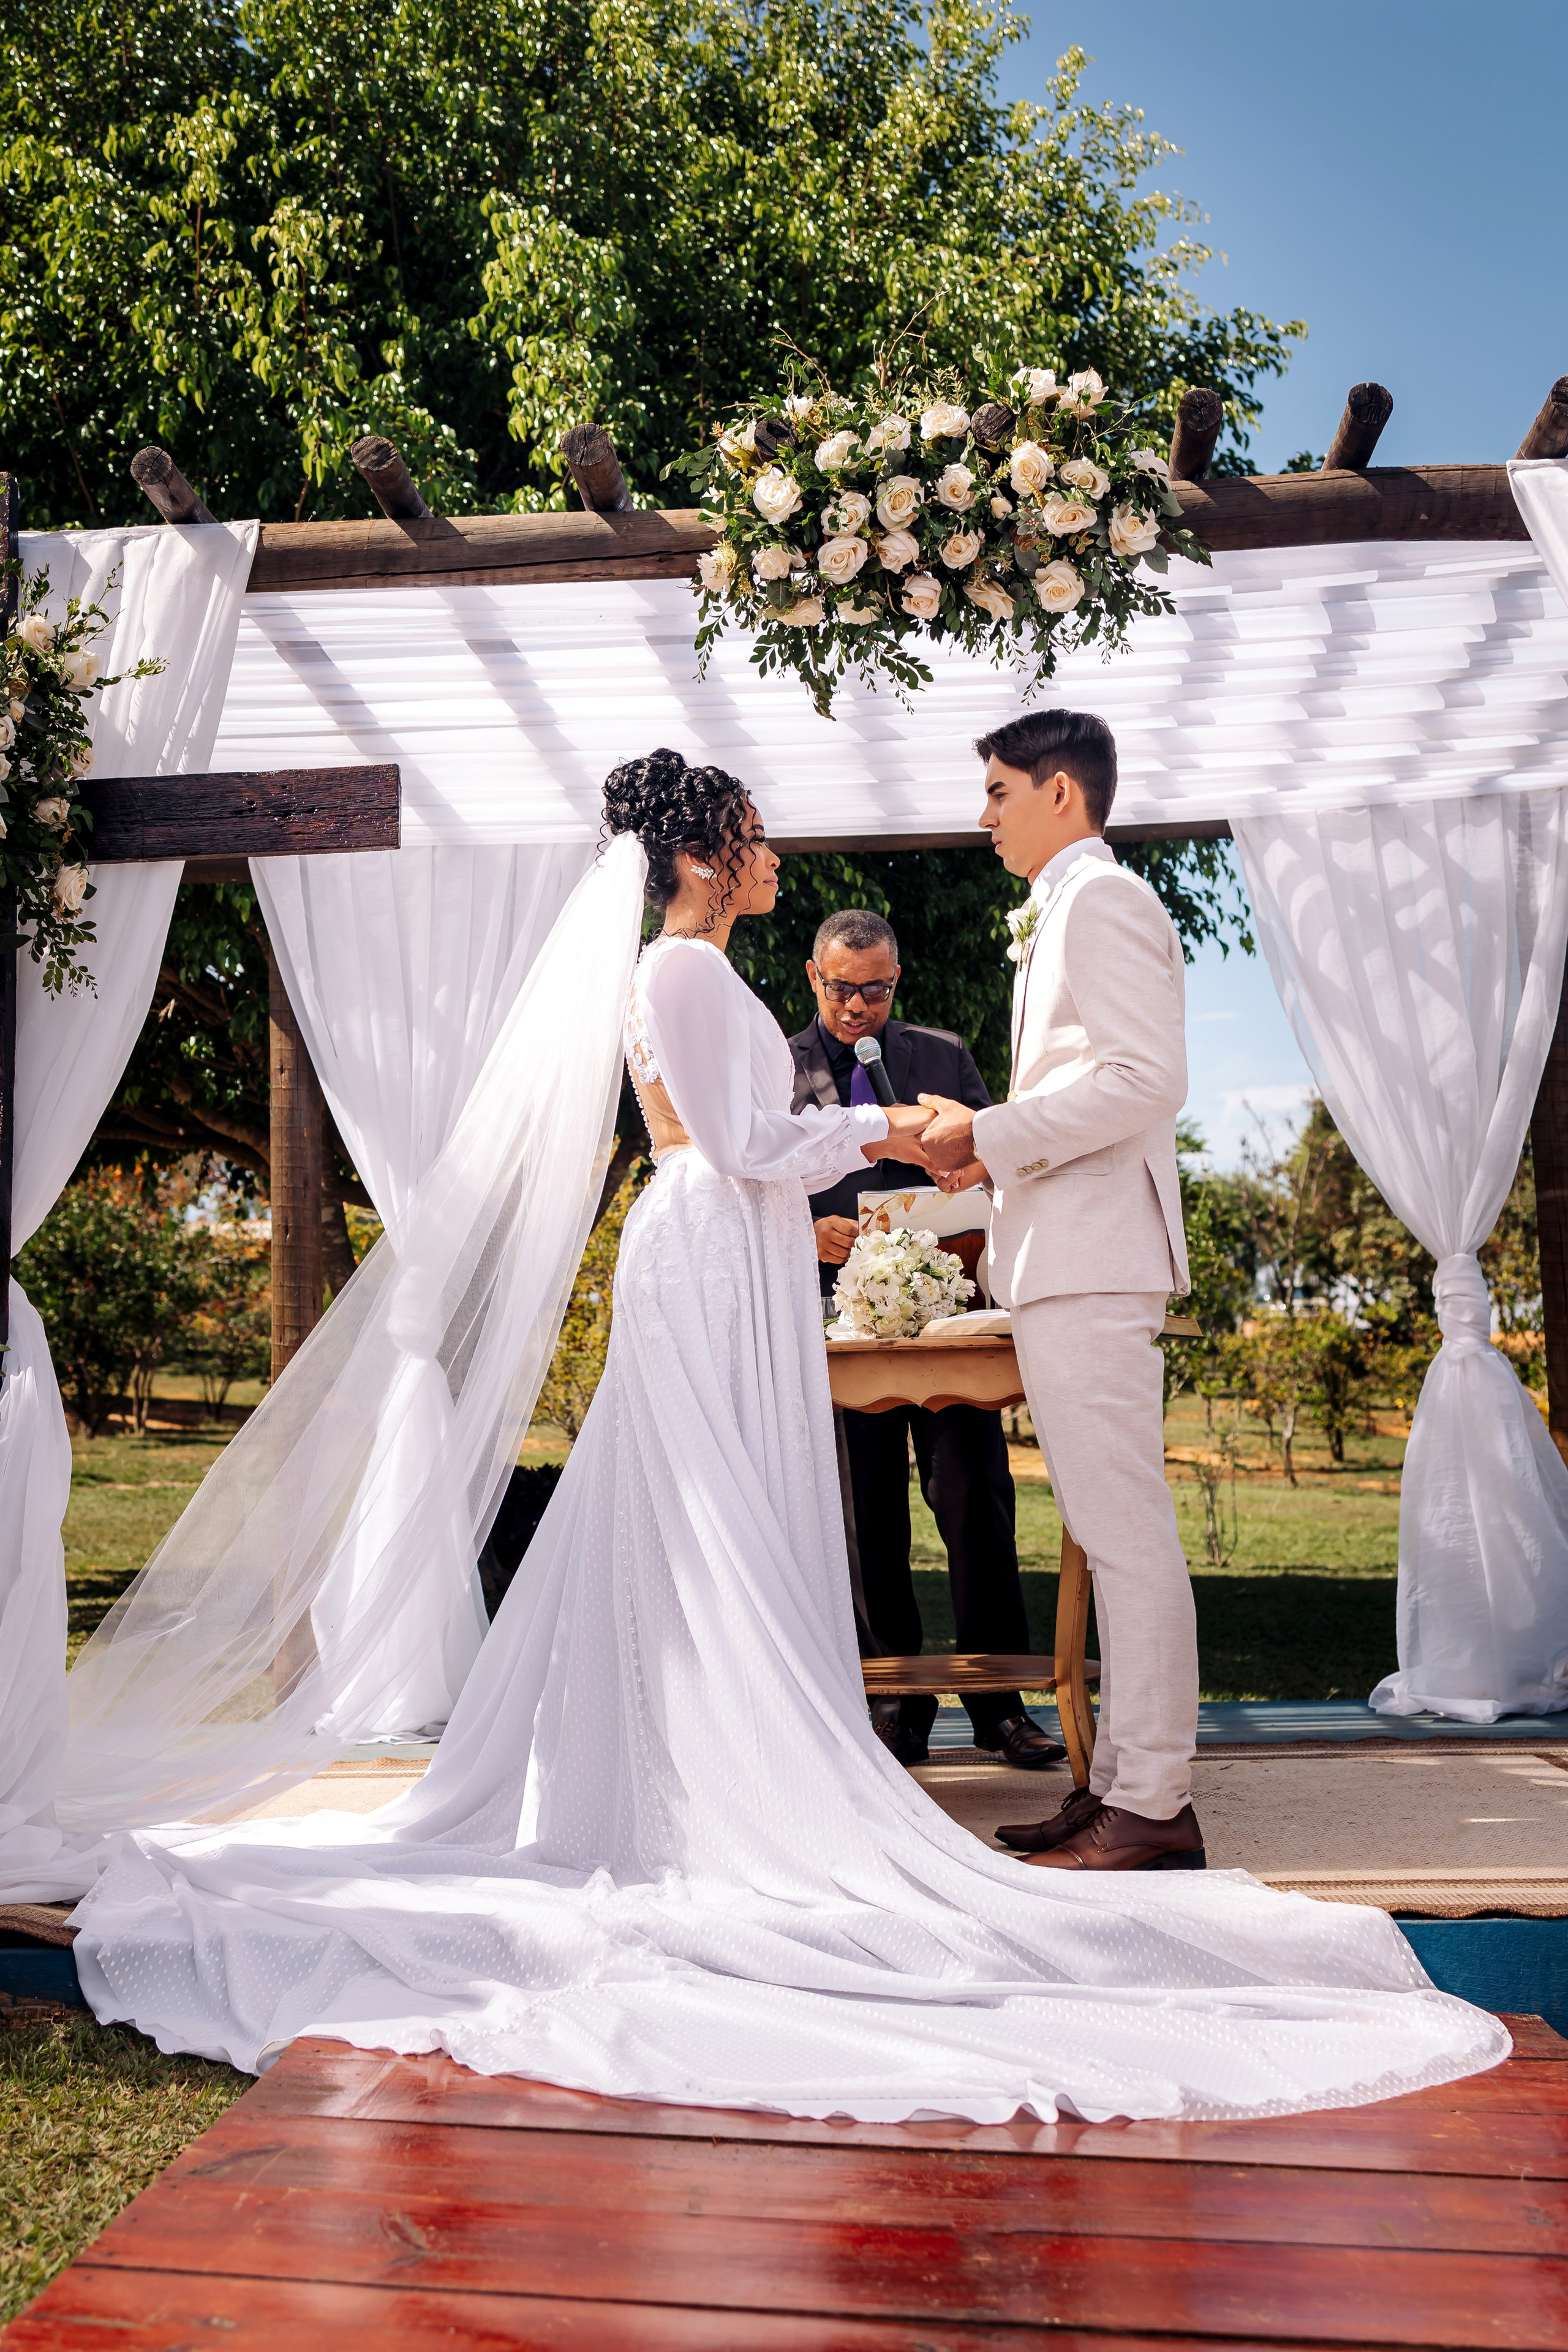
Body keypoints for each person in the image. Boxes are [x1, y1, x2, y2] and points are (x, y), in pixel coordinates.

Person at [68, 749, 1503, 2125]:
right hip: (710, 1245)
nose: (771, 855)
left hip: (732, 1243)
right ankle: (720, 1776)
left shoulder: (696, 967)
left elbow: (741, 1144)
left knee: (715, 1517)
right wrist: (882, 1139)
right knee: (707, 1519)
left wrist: (854, 1154)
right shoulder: (683, 968)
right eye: (752, 834)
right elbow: (735, 1146)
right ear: (704, 856)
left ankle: (697, 1759)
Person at [919, 709, 1204, 1873]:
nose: (983, 817)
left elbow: (1147, 1080)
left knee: (1128, 1538)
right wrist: (964, 1184)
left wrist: (989, 1129)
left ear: (1059, 795)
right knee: (1102, 1526)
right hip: (1061, 1262)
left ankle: (1154, 1803)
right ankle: (1119, 1787)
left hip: (1096, 1268)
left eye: (996, 792)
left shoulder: (1105, 900)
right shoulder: (1065, 909)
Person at [789, 909, 1063, 1771]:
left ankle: (999, 1708)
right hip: (842, 1329)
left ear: (896, 980)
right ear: (813, 978)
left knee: (974, 1502)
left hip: (952, 1326)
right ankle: (894, 1705)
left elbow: (999, 1159)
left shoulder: (942, 1057)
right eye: (843, 988)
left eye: (876, 988)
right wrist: (808, 1230)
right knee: (866, 1517)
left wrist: (968, 1168)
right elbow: (747, 1176)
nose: (859, 1005)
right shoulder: (779, 1068)